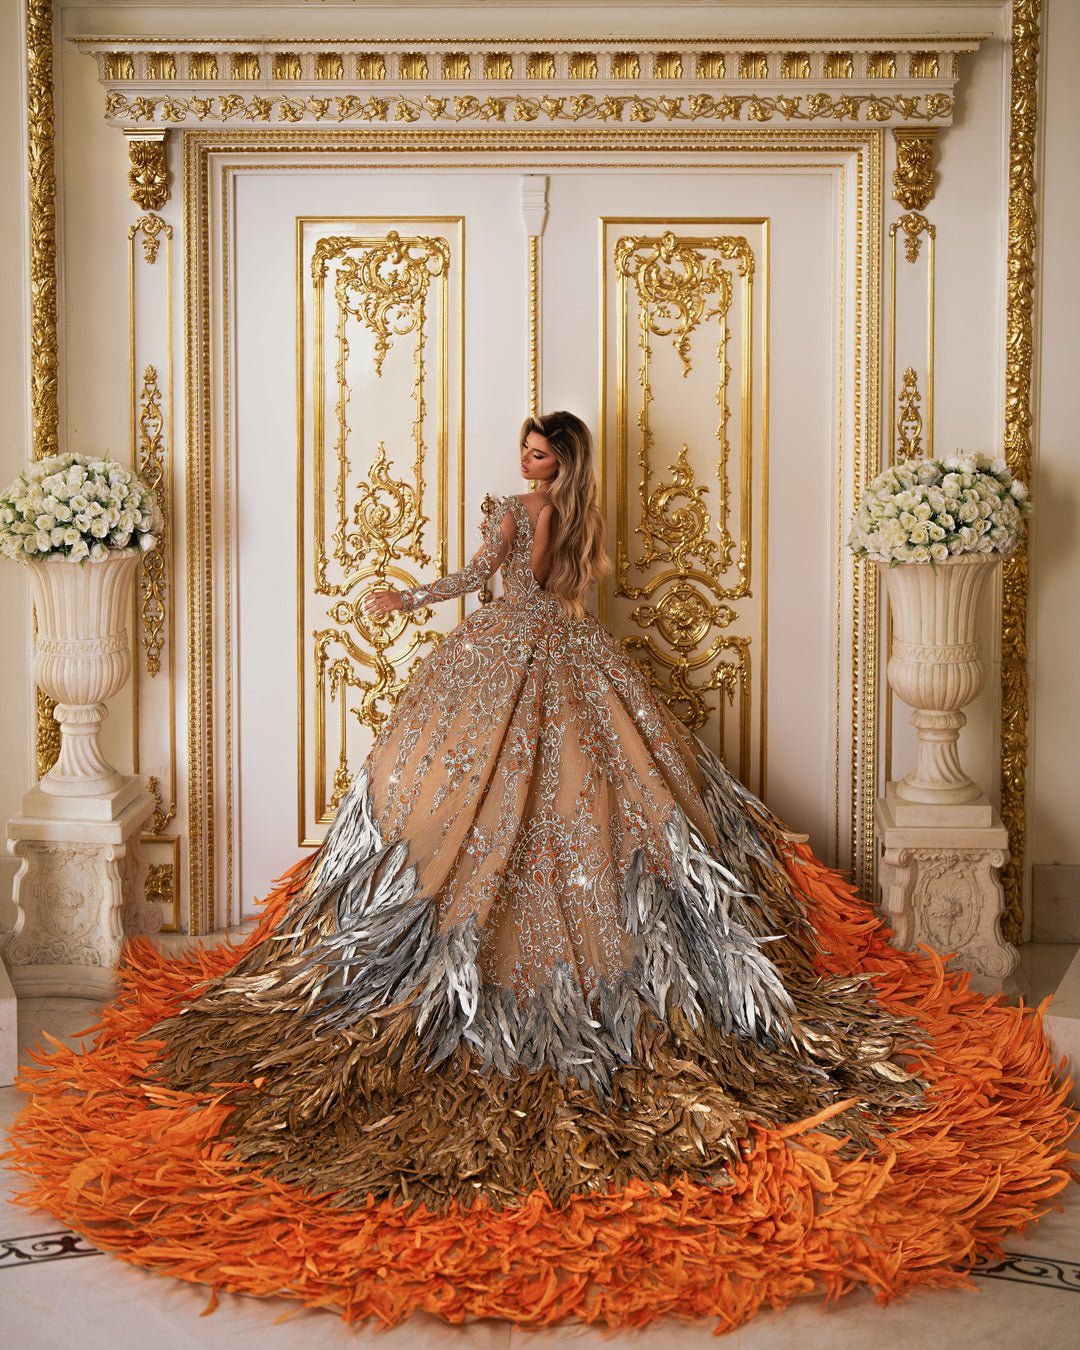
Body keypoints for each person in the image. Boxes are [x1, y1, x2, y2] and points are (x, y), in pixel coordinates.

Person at [8, 412, 1074, 1332]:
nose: (527, 466)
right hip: (553, 655)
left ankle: (527, 968)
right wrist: (437, 591)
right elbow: (532, 585)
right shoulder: (573, 517)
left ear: (556, 461)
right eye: (525, 453)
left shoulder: (532, 518)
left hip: (519, 654)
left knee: (545, 813)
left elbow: (485, 581)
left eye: (537, 453)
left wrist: (414, 596)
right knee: (535, 809)